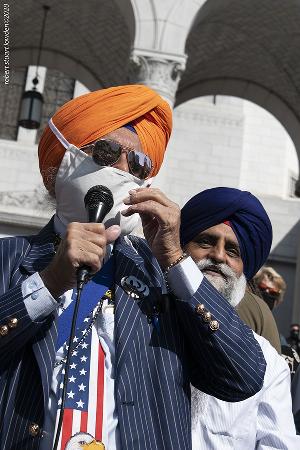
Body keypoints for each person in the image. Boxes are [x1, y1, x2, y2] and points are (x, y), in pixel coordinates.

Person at [0, 86, 266, 450]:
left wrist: (174, 259)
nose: (124, 169)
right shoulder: (10, 259)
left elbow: (243, 377)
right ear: (61, 164)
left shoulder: (163, 276)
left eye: (139, 163)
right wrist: (48, 283)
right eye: (108, 153)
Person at [180, 187, 299, 449]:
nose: (218, 256)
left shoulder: (267, 363)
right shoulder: (144, 328)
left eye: (233, 251)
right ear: (181, 249)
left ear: (245, 270)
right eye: (205, 241)